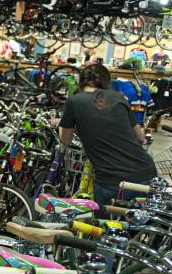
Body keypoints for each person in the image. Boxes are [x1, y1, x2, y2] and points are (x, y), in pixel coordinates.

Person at [58, 63, 157, 207]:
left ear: (81, 81)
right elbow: (140, 137)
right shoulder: (118, 97)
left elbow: (65, 140)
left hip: (111, 180)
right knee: (137, 224)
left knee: (103, 225)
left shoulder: (74, 101)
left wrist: (63, 125)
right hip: (145, 172)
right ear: (106, 81)